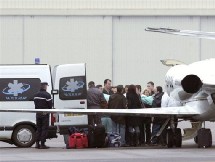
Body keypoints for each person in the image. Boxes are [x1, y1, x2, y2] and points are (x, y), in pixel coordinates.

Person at [34, 82, 52, 149]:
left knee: (38, 128)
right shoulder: (47, 95)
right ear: (45, 87)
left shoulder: (36, 95)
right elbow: (50, 105)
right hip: (45, 113)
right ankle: (42, 144)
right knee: (44, 128)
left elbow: (35, 104)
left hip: (38, 113)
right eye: (46, 86)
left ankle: (37, 143)